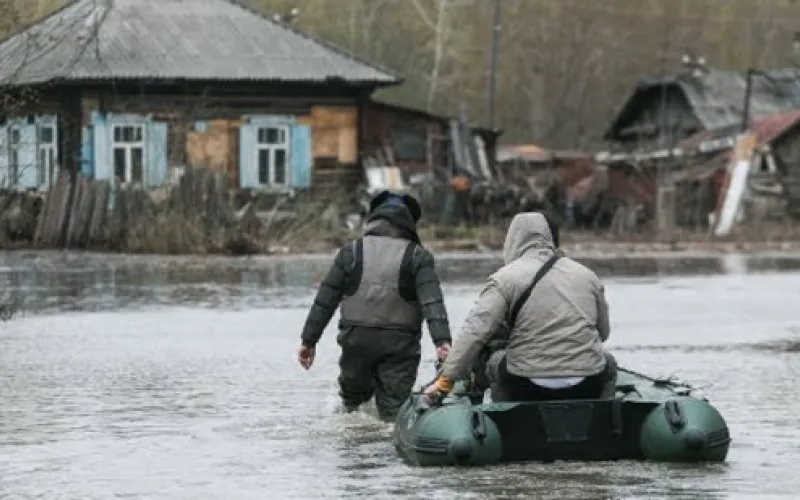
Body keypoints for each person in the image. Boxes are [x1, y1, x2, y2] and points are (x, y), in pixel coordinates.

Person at [423, 211, 616, 404]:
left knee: (494, 361)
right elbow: (603, 333)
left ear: (513, 240)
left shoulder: (505, 279)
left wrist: (445, 381)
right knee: (608, 361)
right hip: (586, 381)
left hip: (526, 383)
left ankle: (501, 417)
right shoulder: (587, 276)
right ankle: (607, 417)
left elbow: (475, 332)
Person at [298, 190, 452, 421]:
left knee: (353, 408)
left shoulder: (350, 252)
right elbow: (432, 301)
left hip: (355, 341)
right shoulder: (418, 256)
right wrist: (442, 341)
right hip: (399, 344)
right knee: (393, 413)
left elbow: (325, 300)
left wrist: (308, 341)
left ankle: (352, 441)